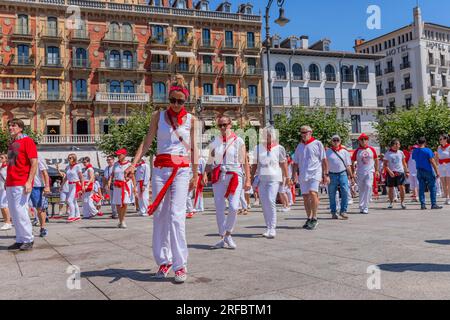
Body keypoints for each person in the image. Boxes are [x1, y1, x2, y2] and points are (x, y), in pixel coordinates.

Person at [127, 75, 198, 283]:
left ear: (186, 101)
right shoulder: (157, 116)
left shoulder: (192, 120)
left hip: (182, 170)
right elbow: (147, 141)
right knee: (160, 215)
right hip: (160, 169)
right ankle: (163, 260)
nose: (176, 105)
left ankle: (180, 265)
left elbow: (194, 148)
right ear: (168, 99)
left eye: (180, 101)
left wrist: (196, 173)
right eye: (173, 101)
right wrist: (134, 163)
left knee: (177, 216)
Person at [207, 116, 251, 249]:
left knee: (233, 207)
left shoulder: (239, 141)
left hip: (235, 175)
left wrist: (248, 179)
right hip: (218, 175)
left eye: (224, 125)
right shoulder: (215, 141)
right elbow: (210, 159)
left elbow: (245, 162)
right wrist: (204, 173)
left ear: (230, 125)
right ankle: (222, 237)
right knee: (219, 207)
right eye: (220, 125)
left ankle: (228, 233)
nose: (222, 128)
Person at [6, 119, 38, 251]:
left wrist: (29, 181)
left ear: (20, 128)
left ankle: (28, 239)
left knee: (21, 211)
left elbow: (34, 162)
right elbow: (11, 164)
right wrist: (7, 182)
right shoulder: (12, 144)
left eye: (13, 126)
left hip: (21, 182)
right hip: (11, 182)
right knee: (14, 212)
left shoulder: (27, 141)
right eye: (9, 126)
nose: (10, 128)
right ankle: (20, 239)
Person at [251, 126, 289, 239]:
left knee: (271, 200)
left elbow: (283, 163)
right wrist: (251, 177)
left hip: (274, 178)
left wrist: (287, 177)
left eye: (270, 134)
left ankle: (272, 228)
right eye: (265, 134)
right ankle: (268, 227)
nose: (267, 137)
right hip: (262, 178)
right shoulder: (257, 148)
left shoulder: (279, 148)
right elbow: (254, 164)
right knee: (264, 203)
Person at [293, 126, 329, 230]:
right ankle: (309, 217)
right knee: (305, 197)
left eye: (305, 132)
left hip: (315, 173)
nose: (303, 134)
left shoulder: (317, 143)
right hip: (304, 174)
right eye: (302, 132)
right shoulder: (299, 146)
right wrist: (294, 175)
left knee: (313, 193)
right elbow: (295, 163)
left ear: (310, 132)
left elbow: (324, 160)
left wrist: (326, 174)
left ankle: (314, 217)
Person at [326, 135, 352, 220]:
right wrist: (325, 175)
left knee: (345, 191)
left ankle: (343, 211)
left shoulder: (344, 152)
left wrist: (351, 175)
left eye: (337, 140)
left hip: (342, 173)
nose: (336, 141)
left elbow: (348, 165)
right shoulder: (327, 152)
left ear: (340, 141)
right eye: (334, 140)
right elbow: (324, 165)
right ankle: (333, 212)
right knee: (332, 194)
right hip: (331, 174)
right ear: (331, 141)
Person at [351, 133, 379, 214]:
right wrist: (353, 172)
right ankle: (361, 205)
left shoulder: (372, 149)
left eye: (365, 139)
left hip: (369, 172)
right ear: (359, 141)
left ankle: (366, 206)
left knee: (368, 186)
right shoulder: (357, 151)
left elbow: (376, 159)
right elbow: (352, 162)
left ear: (367, 140)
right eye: (362, 139)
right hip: (360, 172)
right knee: (361, 189)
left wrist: (377, 170)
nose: (363, 141)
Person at [412, 137, 443, 210]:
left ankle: (423, 204)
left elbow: (414, 159)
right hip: (428, 170)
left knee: (421, 188)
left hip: (419, 170)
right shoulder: (428, 150)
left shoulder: (415, 151)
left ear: (418, 143)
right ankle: (433, 204)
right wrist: (437, 171)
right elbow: (432, 161)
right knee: (432, 187)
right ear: (425, 143)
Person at [109, 149, 136, 228]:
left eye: (120, 154)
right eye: (117, 154)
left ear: (124, 155)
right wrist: (110, 181)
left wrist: (134, 187)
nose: (118, 156)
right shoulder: (116, 164)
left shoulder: (129, 164)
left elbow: (132, 176)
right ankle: (120, 221)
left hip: (125, 185)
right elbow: (112, 174)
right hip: (117, 185)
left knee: (124, 203)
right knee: (117, 203)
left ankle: (123, 220)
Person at [384, 139, 409, 209]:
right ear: (394, 145)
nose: (399, 145)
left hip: (400, 172)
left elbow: (404, 163)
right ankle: (391, 202)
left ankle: (402, 202)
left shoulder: (401, 152)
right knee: (391, 188)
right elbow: (385, 165)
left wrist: (406, 171)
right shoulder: (387, 153)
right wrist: (389, 171)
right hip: (391, 173)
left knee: (402, 187)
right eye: (398, 144)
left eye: (399, 144)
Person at [30, 156, 51, 237]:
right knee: (26, 208)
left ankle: (42, 228)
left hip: (37, 186)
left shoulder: (39, 158)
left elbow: (45, 173)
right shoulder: (23, 157)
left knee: (39, 208)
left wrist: (47, 186)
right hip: (25, 185)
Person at [62, 154, 85, 222]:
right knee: (74, 201)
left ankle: (72, 216)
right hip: (70, 185)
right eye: (68, 158)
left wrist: (83, 186)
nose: (68, 159)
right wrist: (62, 185)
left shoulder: (77, 166)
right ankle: (77, 216)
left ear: (74, 159)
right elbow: (66, 177)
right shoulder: (68, 167)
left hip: (76, 184)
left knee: (69, 200)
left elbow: (81, 177)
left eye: (70, 158)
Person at [437, 134, 450, 205]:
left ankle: (448, 197)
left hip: (448, 166)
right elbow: (438, 158)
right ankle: (446, 196)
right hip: (441, 166)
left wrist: (447, 162)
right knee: (443, 183)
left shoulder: (449, 147)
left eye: (441, 139)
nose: (440, 140)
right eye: (439, 139)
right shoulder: (439, 147)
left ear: (445, 139)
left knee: (448, 183)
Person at [0, 154, 12, 231]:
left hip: (5, 188)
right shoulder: (1, 167)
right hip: (1, 188)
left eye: (2, 157)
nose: (0, 159)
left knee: (4, 205)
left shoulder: (7, 167)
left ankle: (8, 222)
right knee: (2, 206)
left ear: (6, 159)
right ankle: (6, 222)